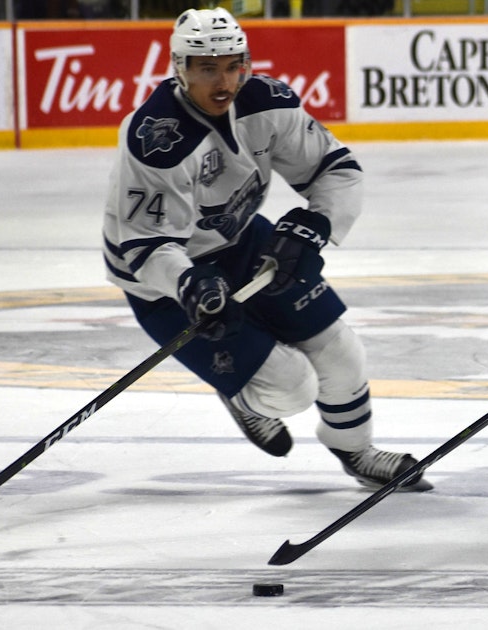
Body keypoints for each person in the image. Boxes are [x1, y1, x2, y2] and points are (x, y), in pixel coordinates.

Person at [102, 8, 430, 492]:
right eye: (207, 68)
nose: (224, 82)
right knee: (291, 385)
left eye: (234, 65)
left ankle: (356, 451)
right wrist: (187, 282)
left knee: (340, 352)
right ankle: (242, 399)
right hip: (161, 275)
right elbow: (146, 243)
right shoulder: (156, 139)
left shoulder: (267, 104)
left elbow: (335, 169)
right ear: (180, 68)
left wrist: (313, 225)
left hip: (240, 240)